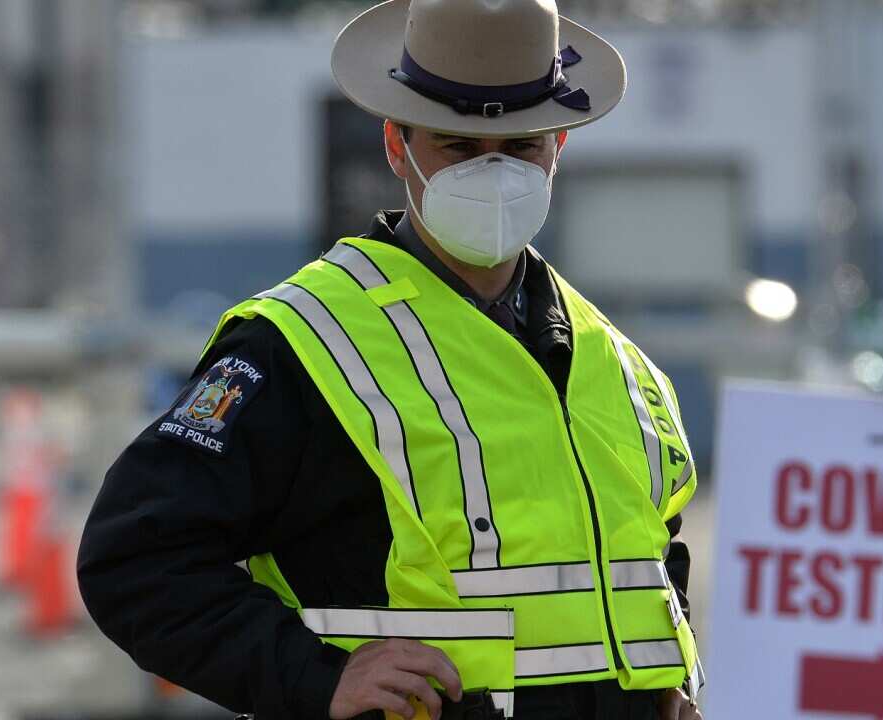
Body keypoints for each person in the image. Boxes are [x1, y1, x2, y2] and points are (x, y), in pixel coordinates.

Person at [76, 1, 705, 718]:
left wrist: (667, 683)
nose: (494, 175)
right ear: (395, 145)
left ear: (560, 141)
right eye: (458, 146)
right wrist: (315, 677)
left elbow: (649, 553)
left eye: (521, 146)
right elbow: (137, 561)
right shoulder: (302, 343)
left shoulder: (612, 357)